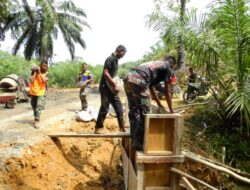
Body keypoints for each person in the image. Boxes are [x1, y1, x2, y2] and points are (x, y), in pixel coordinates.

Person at [123, 56, 177, 150]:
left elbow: (151, 88)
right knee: (145, 112)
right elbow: (168, 91)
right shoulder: (167, 67)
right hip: (139, 80)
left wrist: (159, 104)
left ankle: (134, 137)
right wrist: (171, 110)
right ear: (172, 65)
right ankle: (140, 143)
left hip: (128, 78)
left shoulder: (155, 65)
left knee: (134, 110)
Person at [94, 45, 127, 134]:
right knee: (105, 107)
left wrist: (117, 83)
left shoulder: (116, 61)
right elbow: (106, 73)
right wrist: (114, 84)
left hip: (111, 89)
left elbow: (112, 75)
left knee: (119, 107)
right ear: (119, 50)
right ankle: (98, 128)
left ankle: (122, 128)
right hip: (105, 88)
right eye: (123, 53)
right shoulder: (110, 59)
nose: (123, 56)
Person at [29, 60, 49, 129]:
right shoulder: (34, 72)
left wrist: (39, 72)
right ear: (40, 66)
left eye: (46, 66)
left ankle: (37, 121)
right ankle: (36, 116)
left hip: (41, 92)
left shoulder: (46, 73)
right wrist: (35, 71)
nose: (45, 67)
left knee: (38, 107)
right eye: (43, 66)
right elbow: (31, 80)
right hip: (33, 92)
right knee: (34, 106)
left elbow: (44, 80)